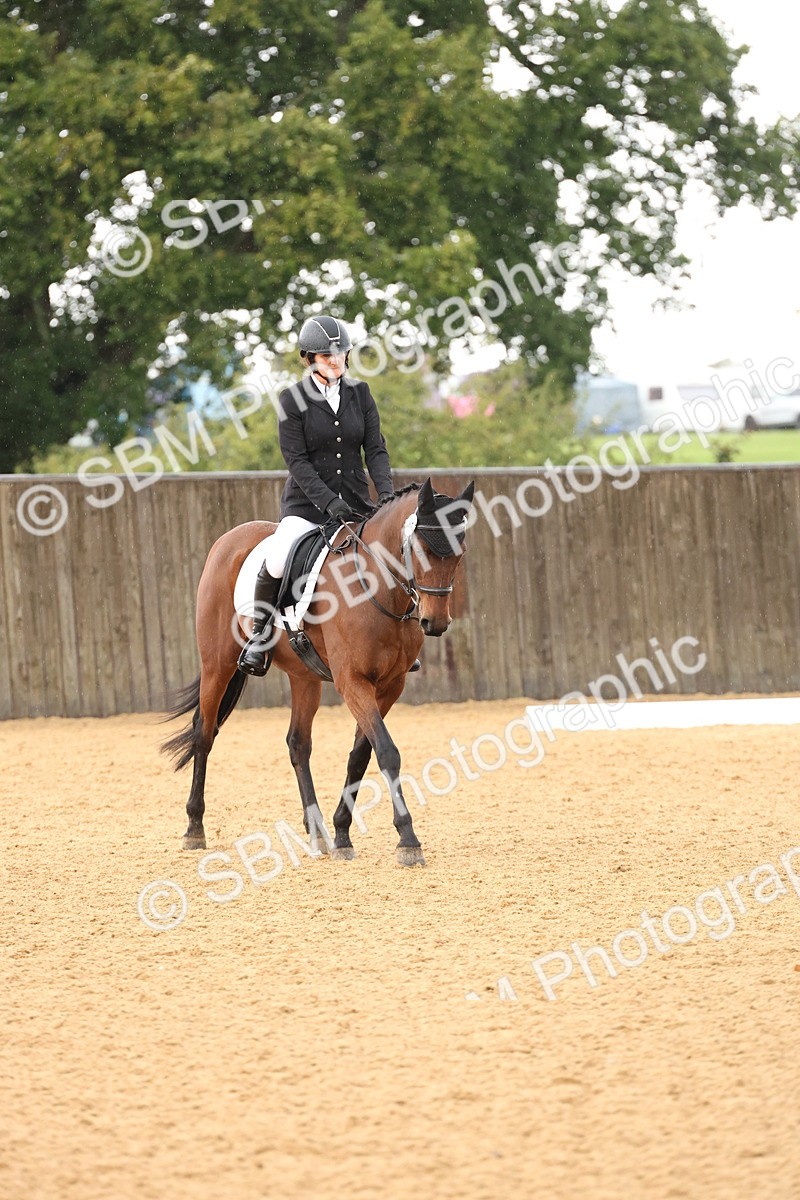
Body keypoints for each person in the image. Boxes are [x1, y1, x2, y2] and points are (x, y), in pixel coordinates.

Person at [237, 314, 405, 676]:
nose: (336, 359)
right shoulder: (292, 400)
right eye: (327, 354)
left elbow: (375, 450)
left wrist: (387, 496)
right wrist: (328, 502)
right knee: (280, 557)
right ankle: (259, 636)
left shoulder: (361, 394)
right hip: (306, 507)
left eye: (341, 353)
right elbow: (296, 460)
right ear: (309, 358)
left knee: (390, 554)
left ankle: (399, 640)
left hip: (357, 505)